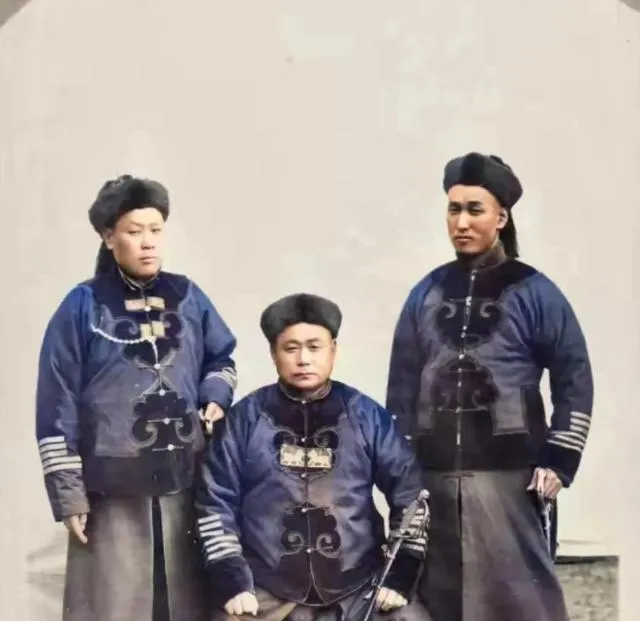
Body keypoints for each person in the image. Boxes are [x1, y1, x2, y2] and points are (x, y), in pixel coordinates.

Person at [385, 152, 594, 621]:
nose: (461, 222)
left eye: (474, 210)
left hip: (512, 481)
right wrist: (402, 470)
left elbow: (574, 376)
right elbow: (400, 388)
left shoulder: (535, 292)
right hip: (434, 481)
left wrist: (559, 459)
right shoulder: (425, 293)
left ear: (501, 217)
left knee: (522, 606)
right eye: (453, 209)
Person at [34, 174, 238, 621]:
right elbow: (56, 401)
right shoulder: (81, 306)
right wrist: (69, 497)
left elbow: (221, 357)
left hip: (185, 478)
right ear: (109, 237)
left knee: (185, 603)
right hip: (111, 490)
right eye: (134, 231)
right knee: (114, 606)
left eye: (155, 230)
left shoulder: (188, 297)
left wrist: (214, 395)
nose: (148, 242)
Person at [195, 293, 433, 621]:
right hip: (266, 587)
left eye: (315, 347)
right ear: (273, 353)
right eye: (291, 348)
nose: (304, 359)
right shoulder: (244, 419)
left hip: (358, 584)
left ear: (333, 349)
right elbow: (215, 501)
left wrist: (399, 575)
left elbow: (410, 493)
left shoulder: (367, 416)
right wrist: (232, 580)